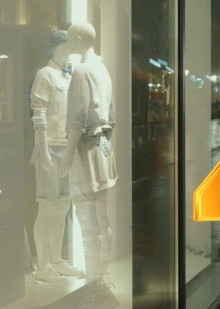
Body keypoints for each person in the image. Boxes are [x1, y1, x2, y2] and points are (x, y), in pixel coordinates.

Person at [58, 22, 118, 286]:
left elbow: (76, 120)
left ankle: (95, 275)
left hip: (87, 150)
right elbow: (112, 117)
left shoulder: (82, 70)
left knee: (87, 219)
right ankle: (100, 272)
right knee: (102, 217)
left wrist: (68, 155)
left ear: (80, 38)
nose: (68, 42)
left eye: (71, 37)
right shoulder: (102, 70)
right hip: (104, 150)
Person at [30, 30, 84, 282]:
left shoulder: (69, 75)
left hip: (66, 149)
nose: (69, 52)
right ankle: (42, 265)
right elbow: (38, 114)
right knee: (47, 206)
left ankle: (56, 259)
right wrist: (43, 151)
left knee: (63, 206)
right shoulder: (45, 75)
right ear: (56, 48)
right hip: (50, 148)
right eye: (65, 47)